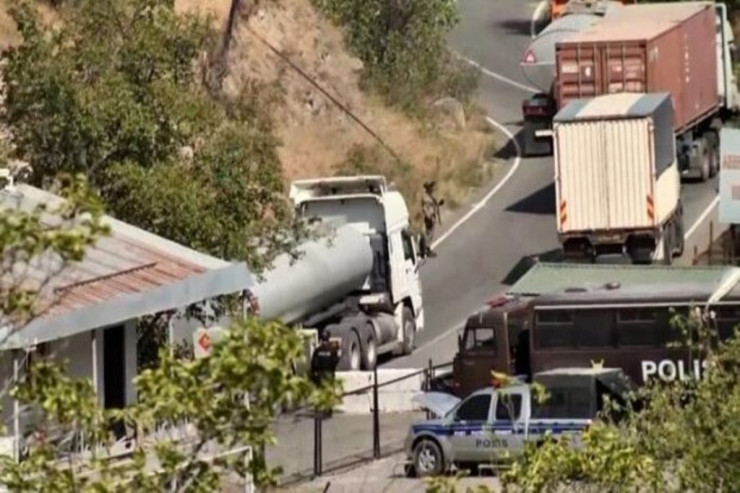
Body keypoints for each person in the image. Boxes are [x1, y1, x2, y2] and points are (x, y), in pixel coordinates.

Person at [421, 181, 444, 258]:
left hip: (432, 217)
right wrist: (429, 217)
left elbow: (434, 205)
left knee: (430, 233)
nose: (434, 190)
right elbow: (425, 208)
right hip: (429, 218)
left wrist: (439, 204)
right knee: (429, 233)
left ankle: (426, 248)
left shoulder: (430, 197)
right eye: (432, 189)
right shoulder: (426, 198)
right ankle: (426, 249)